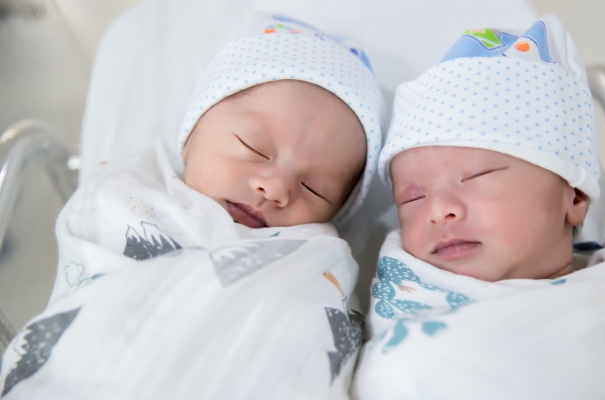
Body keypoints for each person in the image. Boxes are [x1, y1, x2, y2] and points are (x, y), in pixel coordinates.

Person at [0, 13, 382, 399]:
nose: (275, 187)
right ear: (191, 135)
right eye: (254, 148)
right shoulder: (127, 195)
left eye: (313, 189)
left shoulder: (317, 259)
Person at [352, 15, 605, 400]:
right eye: (412, 198)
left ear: (574, 198)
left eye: (478, 176)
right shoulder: (404, 301)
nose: (439, 210)